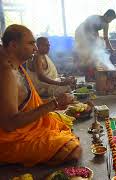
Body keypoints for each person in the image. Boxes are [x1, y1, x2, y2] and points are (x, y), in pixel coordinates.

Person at [0, 24, 81, 167]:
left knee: (62, 123)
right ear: (13, 45)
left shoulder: (16, 65)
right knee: (73, 149)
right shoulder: (6, 72)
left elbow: (26, 102)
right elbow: (10, 124)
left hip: (27, 126)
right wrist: (54, 103)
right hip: (10, 139)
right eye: (31, 43)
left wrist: (51, 102)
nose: (35, 48)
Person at [74, 9, 116, 80]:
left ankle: (94, 74)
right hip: (81, 33)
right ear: (106, 15)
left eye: (111, 20)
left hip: (90, 36)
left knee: (97, 50)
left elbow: (106, 38)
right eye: (110, 19)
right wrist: (96, 42)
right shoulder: (94, 18)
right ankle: (88, 76)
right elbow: (87, 29)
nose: (110, 21)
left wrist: (111, 49)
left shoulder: (106, 24)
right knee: (88, 54)